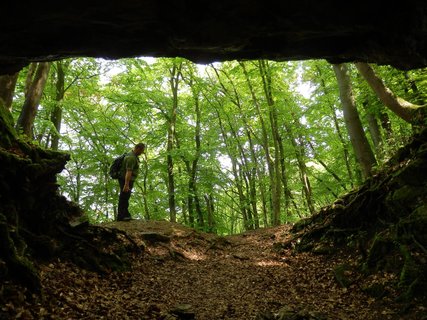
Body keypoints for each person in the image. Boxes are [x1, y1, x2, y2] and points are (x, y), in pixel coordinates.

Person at [117, 142, 145, 221]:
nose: (142, 153)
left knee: (126, 197)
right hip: (125, 180)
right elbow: (128, 171)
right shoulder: (131, 158)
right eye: (141, 151)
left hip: (126, 180)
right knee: (124, 197)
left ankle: (125, 214)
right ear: (137, 148)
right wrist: (126, 184)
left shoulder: (131, 155)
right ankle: (121, 216)